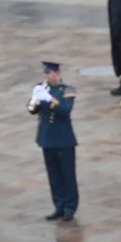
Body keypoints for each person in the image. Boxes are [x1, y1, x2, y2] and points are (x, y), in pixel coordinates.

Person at [29, 61, 78, 221]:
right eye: (45, 73)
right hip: (47, 138)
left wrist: (49, 99)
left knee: (67, 174)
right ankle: (59, 205)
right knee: (54, 175)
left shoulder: (67, 90)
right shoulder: (42, 88)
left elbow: (65, 111)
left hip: (63, 139)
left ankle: (70, 206)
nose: (46, 76)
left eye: (48, 73)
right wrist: (34, 101)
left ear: (57, 74)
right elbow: (33, 109)